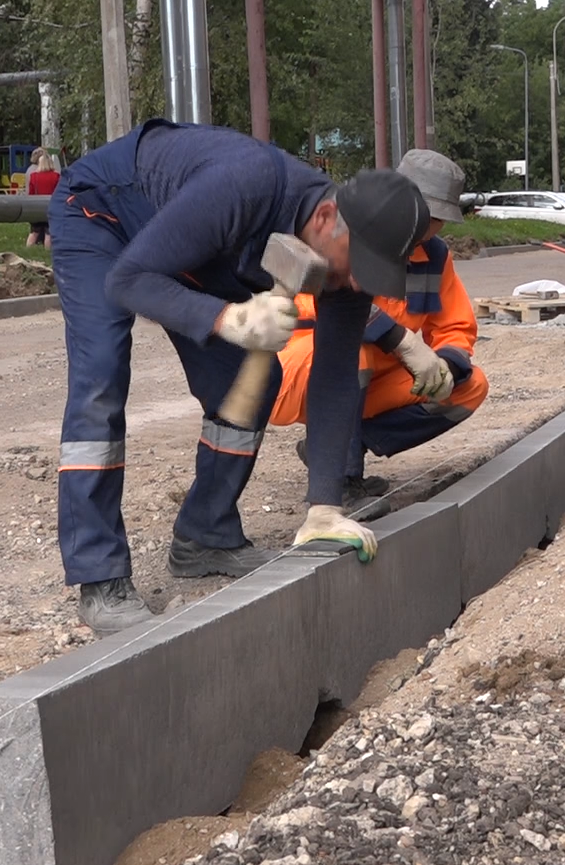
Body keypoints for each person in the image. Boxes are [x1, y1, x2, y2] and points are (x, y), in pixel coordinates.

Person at [50, 120, 430, 634]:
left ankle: (205, 534)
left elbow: (336, 375)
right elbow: (129, 280)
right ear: (325, 217)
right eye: (354, 268)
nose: (354, 283)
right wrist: (227, 319)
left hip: (193, 243)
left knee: (255, 378)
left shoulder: (348, 262)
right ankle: (99, 578)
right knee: (101, 376)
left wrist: (324, 505)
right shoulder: (243, 186)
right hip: (104, 212)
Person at [271, 148, 488, 504]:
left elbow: (455, 327)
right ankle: (340, 482)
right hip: (298, 372)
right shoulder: (337, 231)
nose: (429, 226)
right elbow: (322, 311)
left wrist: (445, 366)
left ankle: (332, 447)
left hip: (366, 381)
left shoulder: (432, 256)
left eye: (436, 218)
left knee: (469, 386)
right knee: (351, 352)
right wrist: (399, 340)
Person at [24, 149, 61, 246]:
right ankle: (46, 254)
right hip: (51, 207)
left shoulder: (33, 176)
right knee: (48, 234)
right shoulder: (56, 176)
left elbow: (31, 193)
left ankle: (27, 251)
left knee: (34, 233)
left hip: (36, 206)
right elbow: (59, 192)